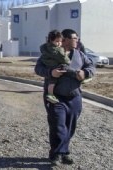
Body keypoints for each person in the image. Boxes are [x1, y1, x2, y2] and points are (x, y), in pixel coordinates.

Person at [34, 29, 95, 168]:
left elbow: (92, 67)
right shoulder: (51, 53)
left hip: (75, 96)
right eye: (75, 38)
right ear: (66, 39)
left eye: (77, 38)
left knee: (70, 126)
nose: (77, 40)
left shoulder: (79, 55)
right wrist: (51, 72)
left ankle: (63, 151)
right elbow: (38, 69)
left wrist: (85, 73)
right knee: (58, 124)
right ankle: (57, 153)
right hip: (56, 96)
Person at [40, 30, 71, 104]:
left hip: (48, 66)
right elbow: (64, 59)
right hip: (54, 66)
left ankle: (50, 94)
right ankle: (50, 94)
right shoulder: (57, 50)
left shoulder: (45, 48)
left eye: (60, 41)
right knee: (53, 80)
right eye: (57, 41)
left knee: (51, 82)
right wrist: (67, 59)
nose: (59, 43)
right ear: (51, 40)